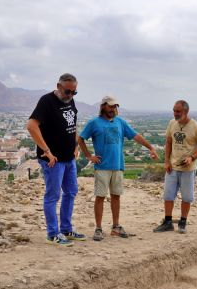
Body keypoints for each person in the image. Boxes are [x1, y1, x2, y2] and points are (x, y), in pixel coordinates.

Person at [78, 95, 159, 241]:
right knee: (100, 197)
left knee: (116, 196)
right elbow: (80, 138)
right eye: (110, 106)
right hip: (102, 166)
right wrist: (89, 156)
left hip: (118, 165)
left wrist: (150, 147)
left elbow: (136, 136)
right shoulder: (94, 123)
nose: (113, 109)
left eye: (115, 106)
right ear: (103, 106)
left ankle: (115, 227)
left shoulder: (120, 122)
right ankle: (98, 228)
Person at [26, 73, 85, 247]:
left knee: (71, 192)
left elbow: (72, 125)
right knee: (53, 196)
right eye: (68, 92)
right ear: (58, 86)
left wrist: (75, 146)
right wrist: (47, 151)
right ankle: (52, 234)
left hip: (69, 158)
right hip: (53, 160)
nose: (70, 96)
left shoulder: (69, 101)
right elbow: (31, 125)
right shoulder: (46, 101)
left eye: (74, 93)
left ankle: (66, 229)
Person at [153, 100, 197, 234]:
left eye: (178, 111)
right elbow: (169, 142)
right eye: (174, 111)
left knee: (187, 197)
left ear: (186, 111)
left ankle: (183, 222)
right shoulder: (172, 123)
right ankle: (168, 222)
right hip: (173, 167)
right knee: (168, 195)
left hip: (188, 169)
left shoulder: (196, 127)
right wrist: (166, 161)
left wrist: (192, 158)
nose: (175, 114)